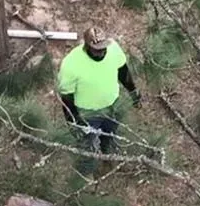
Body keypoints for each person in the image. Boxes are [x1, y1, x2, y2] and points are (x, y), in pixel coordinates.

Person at [57, 26, 140, 156]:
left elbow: (123, 71)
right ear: (87, 46)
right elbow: (66, 96)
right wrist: (74, 120)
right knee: (87, 144)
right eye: (96, 50)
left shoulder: (113, 49)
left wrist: (133, 91)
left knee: (109, 135)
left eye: (103, 48)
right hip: (87, 114)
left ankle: (107, 155)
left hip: (112, 106)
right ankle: (86, 169)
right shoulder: (71, 63)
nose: (101, 52)